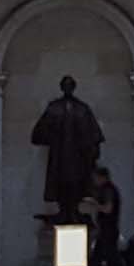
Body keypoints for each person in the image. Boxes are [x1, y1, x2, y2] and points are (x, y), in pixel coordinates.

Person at [29, 74, 104, 223]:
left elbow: (94, 134)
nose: (68, 88)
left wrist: (94, 151)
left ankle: (73, 211)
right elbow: (38, 134)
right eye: (66, 85)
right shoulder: (54, 108)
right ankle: (64, 211)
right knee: (61, 183)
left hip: (78, 157)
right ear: (62, 87)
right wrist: (51, 137)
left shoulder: (82, 109)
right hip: (60, 156)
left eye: (70, 85)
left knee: (76, 183)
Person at [78, 164, 126, 266]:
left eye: (95, 178)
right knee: (96, 260)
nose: (94, 181)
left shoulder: (108, 190)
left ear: (101, 177)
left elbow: (108, 209)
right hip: (105, 231)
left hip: (108, 231)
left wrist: (94, 205)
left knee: (113, 261)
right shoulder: (107, 190)